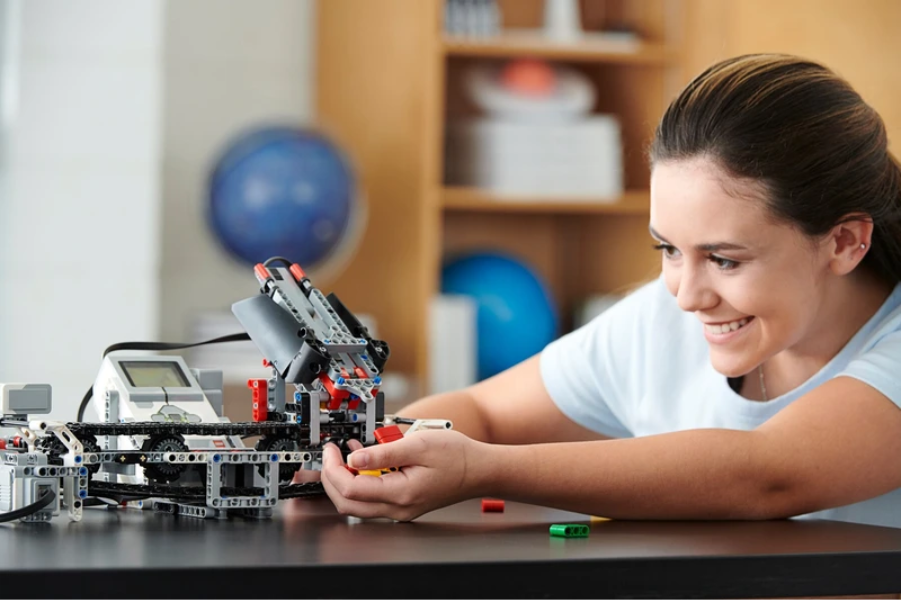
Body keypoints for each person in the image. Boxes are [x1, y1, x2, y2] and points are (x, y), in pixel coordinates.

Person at [314, 53, 901, 526]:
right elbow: (482, 412)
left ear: (845, 241)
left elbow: (765, 474)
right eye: (668, 250)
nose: (686, 296)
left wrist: (480, 471)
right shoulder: (661, 320)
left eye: (724, 260)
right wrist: (374, 458)